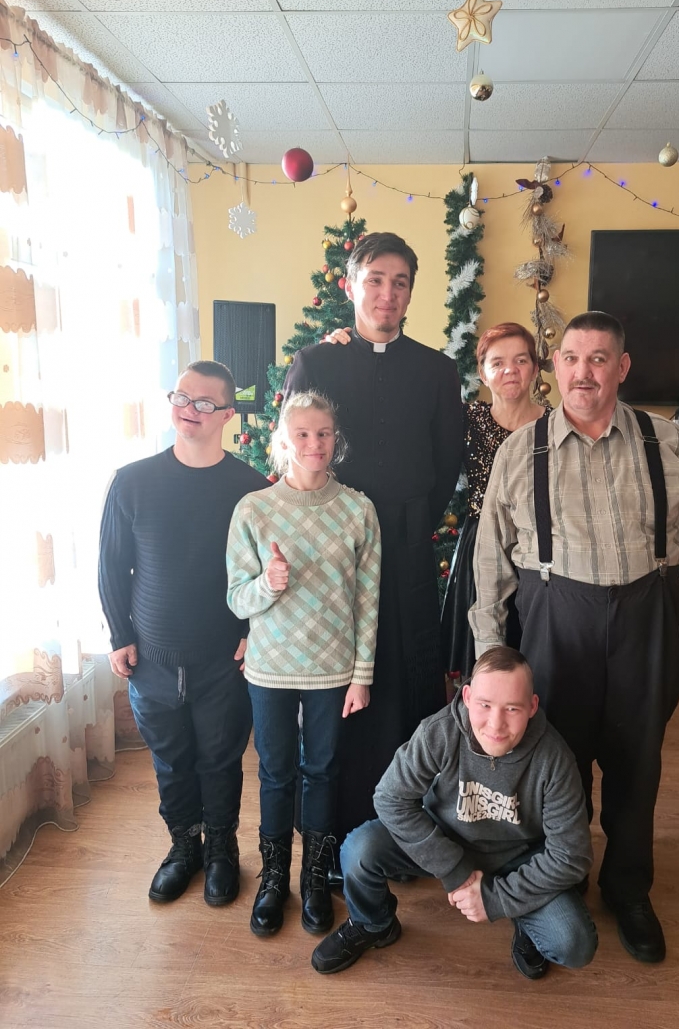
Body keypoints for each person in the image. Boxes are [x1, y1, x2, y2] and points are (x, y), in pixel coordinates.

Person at [470, 311, 679, 964]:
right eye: (573, 358)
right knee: (556, 766)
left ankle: (629, 889)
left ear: (621, 367)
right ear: (556, 367)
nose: (584, 372)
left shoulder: (665, 441)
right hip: (555, 621)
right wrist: (490, 650)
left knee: (637, 764)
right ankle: (556, 890)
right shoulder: (521, 452)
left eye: (599, 359)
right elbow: (492, 556)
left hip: (646, 617)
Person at [283, 232, 464, 844]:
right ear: (350, 286)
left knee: (407, 681)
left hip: (408, 549)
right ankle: (333, 830)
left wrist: (410, 522)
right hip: (333, 552)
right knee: (340, 686)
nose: (388, 294)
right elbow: (297, 452)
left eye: (400, 282)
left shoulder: (437, 370)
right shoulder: (317, 363)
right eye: (376, 280)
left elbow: (446, 460)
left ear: (411, 292)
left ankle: (408, 830)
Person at [310, 646, 596, 979]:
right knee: (359, 849)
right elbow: (390, 798)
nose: (496, 724)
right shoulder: (439, 731)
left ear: (532, 707)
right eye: (485, 705)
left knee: (574, 944)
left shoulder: (555, 759)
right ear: (468, 697)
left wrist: (496, 899)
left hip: (518, 858)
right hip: (445, 839)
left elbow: (572, 855)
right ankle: (373, 923)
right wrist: (454, 869)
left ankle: (524, 916)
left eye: (512, 708)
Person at [98, 360, 268, 906]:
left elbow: (263, 571)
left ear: (227, 415)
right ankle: (183, 847)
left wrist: (250, 630)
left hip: (223, 658)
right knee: (170, 762)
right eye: (181, 398)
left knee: (219, 759)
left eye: (204, 403)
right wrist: (119, 634)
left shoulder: (250, 489)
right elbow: (112, 565)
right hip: (151, 657)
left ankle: (221, 849)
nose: (189, 410)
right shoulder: (132, 481)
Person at [226, 392, 382, 939]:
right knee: (274, 773)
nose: (315, 444)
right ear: (283, 441)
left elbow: (367, 600)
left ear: (336, 440)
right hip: (270, 667)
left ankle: (314, 876)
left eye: (324, 433)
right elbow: (236, 600)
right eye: (303, 434)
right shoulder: (253, 509)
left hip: (332, 669)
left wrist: (362, 674)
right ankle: (274, 878)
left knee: (322, 771)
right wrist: (267, 585)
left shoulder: (358, 510)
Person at [441, 322, 545, 679]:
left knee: (534, 649)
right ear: (483, 374)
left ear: (534, 368)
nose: (509, 370)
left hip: (539, 547)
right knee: (482, 658)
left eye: (520, 360)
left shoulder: (554, 425)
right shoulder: (465, 419)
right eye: (497, 363)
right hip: (481, 545)